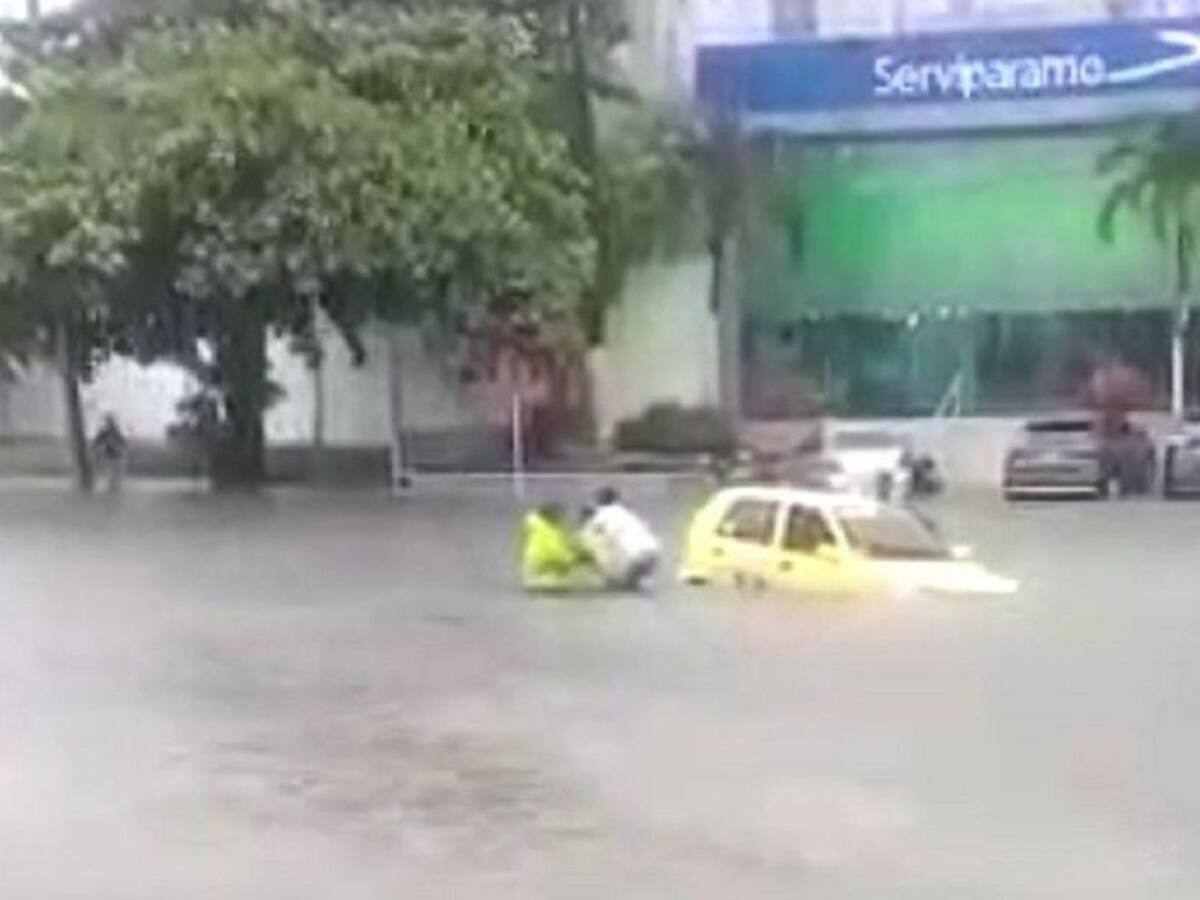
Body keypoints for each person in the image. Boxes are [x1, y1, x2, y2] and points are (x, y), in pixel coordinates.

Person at [579, 487, 662, 591]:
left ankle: (633, 578)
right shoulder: (625, 512)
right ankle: (640, 578)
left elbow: (590, 542)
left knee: (616, 582)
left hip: (635, 558)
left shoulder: (601, 516)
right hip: (653, 552)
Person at [521, 503, 597, 593]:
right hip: (545, 577)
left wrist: (575, 551)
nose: (561, 518)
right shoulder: (545, 531)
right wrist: (576, 558)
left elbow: (564, 546)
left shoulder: (541, 527)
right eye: (559, 515)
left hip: (534, 574)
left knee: (582, 559)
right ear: (550, 516)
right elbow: (554, 557)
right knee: (585, 568)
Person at [92, 414, 128, 495]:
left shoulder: (114, 432)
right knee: (111, 476)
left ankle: (113, 490)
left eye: (110, 422)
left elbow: (123, 443)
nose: (109, 424)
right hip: (110, 457)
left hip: (114, 457)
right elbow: (96, 443)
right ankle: (112, 490)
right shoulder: (105, 433)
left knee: (114, 477)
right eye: (108, 422)